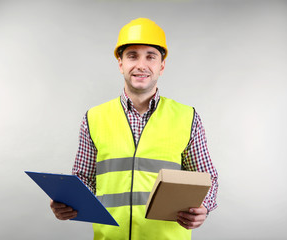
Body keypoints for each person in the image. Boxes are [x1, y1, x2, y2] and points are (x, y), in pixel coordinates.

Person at [50, 18, 218, 240]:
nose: (141, 65)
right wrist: (67, 203)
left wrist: (203, 207)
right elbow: (84, 180)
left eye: (150, 56)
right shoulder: (94, 118)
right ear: (120, 64)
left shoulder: (188, 118)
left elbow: (208, 179)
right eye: (132, 56)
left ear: (162, 65)